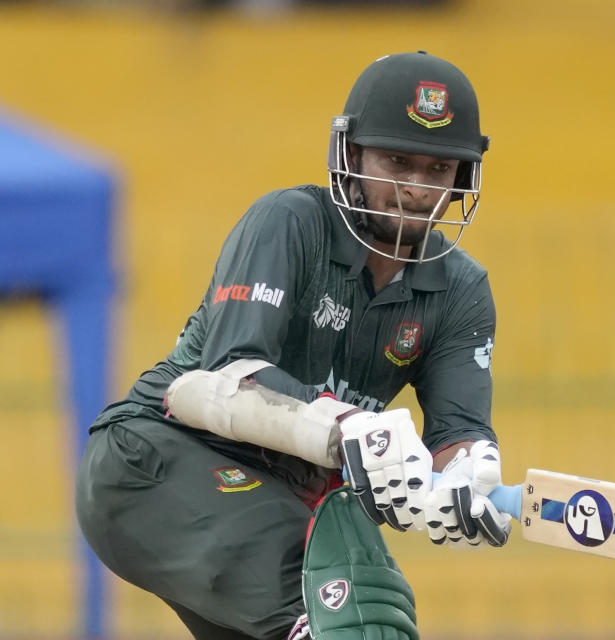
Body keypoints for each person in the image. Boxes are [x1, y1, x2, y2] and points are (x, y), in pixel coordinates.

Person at [74, 51, 511, 640]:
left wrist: (466, 476)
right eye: (398, 163)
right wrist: (352, 430)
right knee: (356, 620)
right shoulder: (290, 222)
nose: (415, 190)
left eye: (438, 170)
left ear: (462, 177)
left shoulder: (460, 289)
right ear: (352, 156)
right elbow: (228, 381)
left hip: (281, 497)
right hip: (159, 461)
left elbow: (457, 434)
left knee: (373, 622)